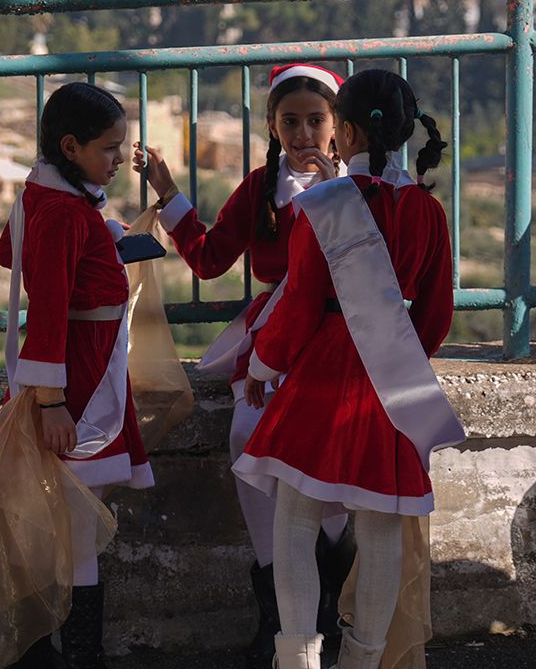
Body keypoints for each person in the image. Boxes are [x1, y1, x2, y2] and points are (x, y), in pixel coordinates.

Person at [232, 68, 464, 669]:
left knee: (294, 519)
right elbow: (437, 317)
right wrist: (400, 353)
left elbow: (301, 302)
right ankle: (362, 661)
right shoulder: (427, 213)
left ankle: (299, 658)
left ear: (347, 131)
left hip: (323, 375)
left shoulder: (322, 204)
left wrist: (262, 363)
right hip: (392, 379)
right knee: (382, 530)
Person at [132, 63, 360, 666]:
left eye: (317, 120)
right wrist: (166, 190)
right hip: (272, 337)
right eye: (291, 122)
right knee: (248, 440)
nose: (304, 133)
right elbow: (208, 258)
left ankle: (333, 597)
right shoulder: (262, 188)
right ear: (271, 125)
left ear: (339, 126)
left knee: (328, 454)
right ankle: (279, 612)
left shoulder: (360, 188)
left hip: (337, 335)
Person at [0, 81, 153, 668]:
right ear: (71, 146)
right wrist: (51, 401)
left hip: (82, 366)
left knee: (74, 514)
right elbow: (52, 305)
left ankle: (57, 644)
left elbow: (10, 253)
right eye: (110, 149)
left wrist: (98, 238)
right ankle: (76, 648)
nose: (119, 160)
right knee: (79, 516)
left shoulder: (49, 197)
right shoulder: (65, 211)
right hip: (78, 379)